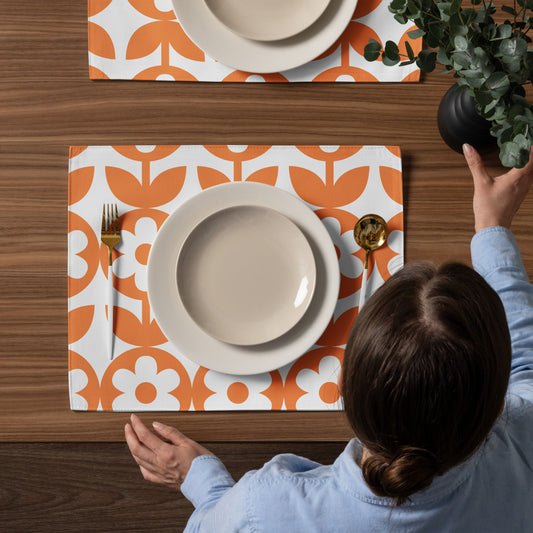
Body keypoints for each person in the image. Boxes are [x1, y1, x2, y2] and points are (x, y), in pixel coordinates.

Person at [125, 144, 533, 532]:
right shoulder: (523, 439)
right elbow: (526, 364)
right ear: (497, 408)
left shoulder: (262, 509)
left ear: (341, 384)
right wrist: (492, 229)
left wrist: (203, 482)